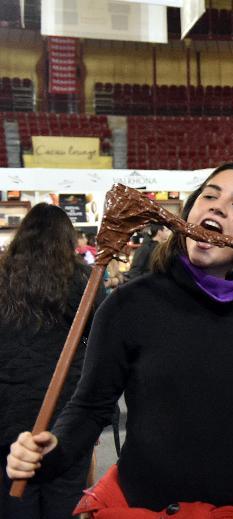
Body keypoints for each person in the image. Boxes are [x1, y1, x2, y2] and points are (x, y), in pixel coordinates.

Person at [6, 163, 233, 517]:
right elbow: (90, 407)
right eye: (209, 195)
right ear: (188, 215)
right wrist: (54, 450)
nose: (217, 206)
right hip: (150, 505)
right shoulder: (129, 304)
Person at [0, 204, 95, 519]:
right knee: (64, 499)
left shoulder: (1, 276)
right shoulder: (83, 279)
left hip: (9, 410)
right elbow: (96, 340)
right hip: (64, 411)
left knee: (15, 497)